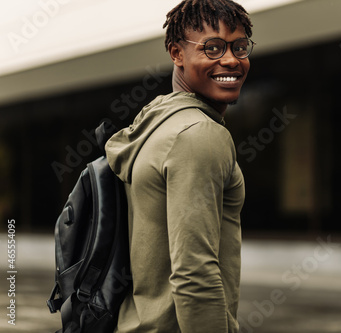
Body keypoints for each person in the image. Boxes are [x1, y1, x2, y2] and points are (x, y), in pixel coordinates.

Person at [104, 0, 254, 332]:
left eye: (240, 46)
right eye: (212, 48)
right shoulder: (198, 134)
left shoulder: (156, 126)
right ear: (177, 54)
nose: (231, 59)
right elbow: (194, 273)